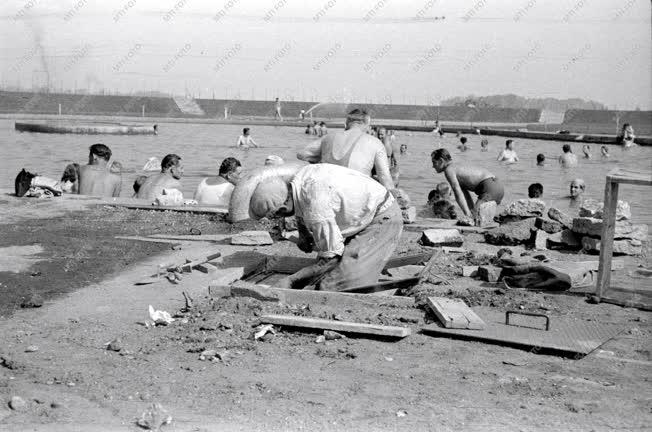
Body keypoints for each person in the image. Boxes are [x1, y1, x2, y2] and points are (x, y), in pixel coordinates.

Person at [248, 163, 403, 292]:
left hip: (383, 218)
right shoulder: (300, 180)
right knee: (321, 273)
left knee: (333, 285)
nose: (280, 219)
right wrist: (303, 234)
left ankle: (364, 264)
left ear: (282, 209)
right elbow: (299, 204)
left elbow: (330, 259)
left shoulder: (316, 207)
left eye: (277, 216)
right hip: (360, 214)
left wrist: (290, 281)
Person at [297, 108, 395, 190]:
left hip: (325, 188)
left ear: (347, 123)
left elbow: (302, 154)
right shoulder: (375, 142)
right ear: (367, 125)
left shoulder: (328, 137)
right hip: (355, 193)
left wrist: (321, 159)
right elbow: (384, 177)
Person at [431, 148, 504, 220]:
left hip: (489, 187)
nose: (433, 166)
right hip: (498, 186)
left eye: (434, 162)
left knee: (476, 220)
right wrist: (471, 213)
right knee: (478, 217)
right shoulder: (458, 167)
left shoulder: (449, 170)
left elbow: (457, 193)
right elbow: (465, 196)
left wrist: (467, 215)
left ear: (441, 161)